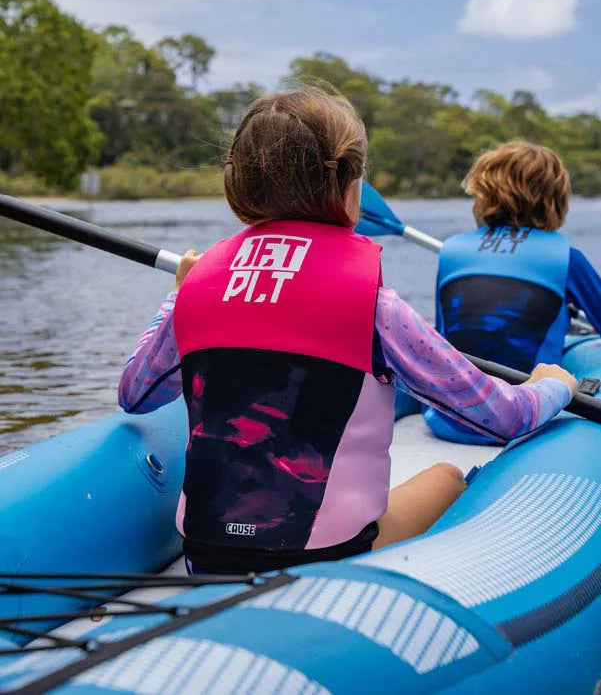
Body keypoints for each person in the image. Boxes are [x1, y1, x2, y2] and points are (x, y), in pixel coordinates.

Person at [119, 92, 577, 574]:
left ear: (237, 185)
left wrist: (177, 294)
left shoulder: (199, 289)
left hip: (207, 557)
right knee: (445, 477)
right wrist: (553, 386)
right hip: (329, 557)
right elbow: (501, 418)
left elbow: (135, 394)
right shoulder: (377, 308)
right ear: (350, 188)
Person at [425, 140, 601, 445]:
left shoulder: (452, 249)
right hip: (524, 419)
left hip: (447, 420)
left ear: (484, 195)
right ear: (556, 200)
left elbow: (445, 337)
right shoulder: (566, 257)